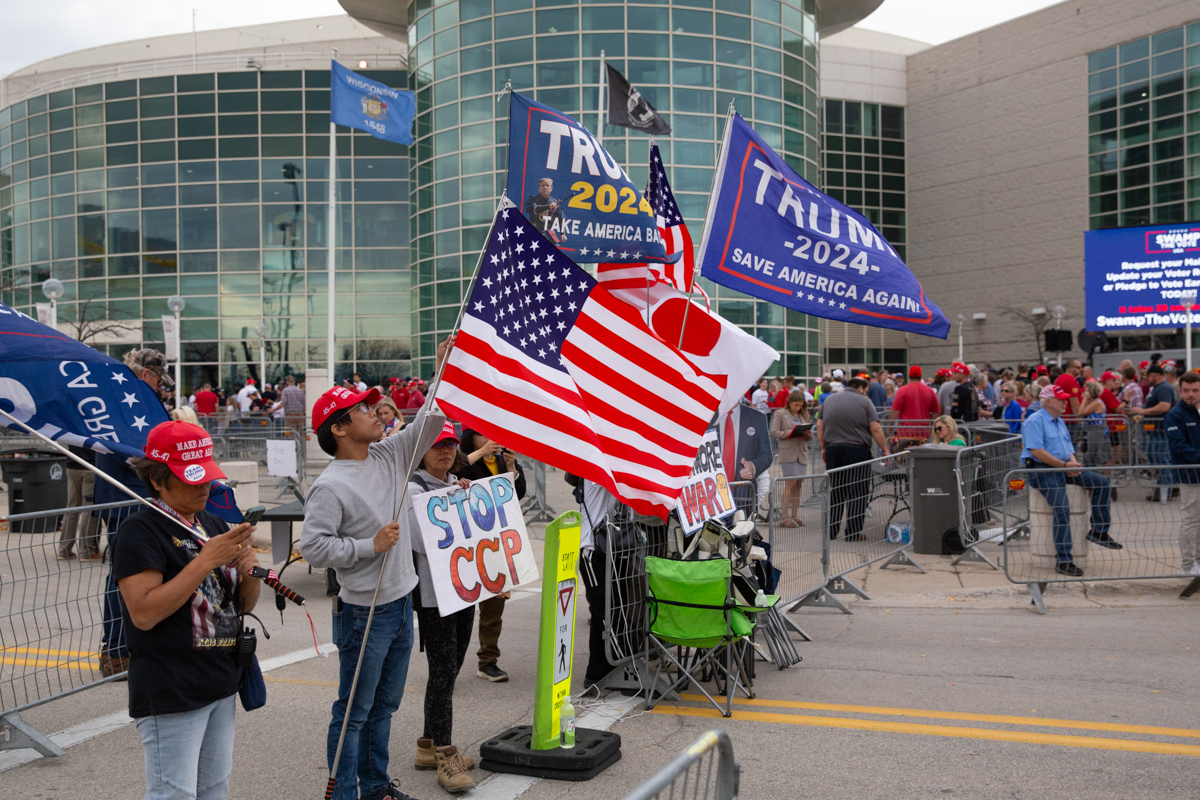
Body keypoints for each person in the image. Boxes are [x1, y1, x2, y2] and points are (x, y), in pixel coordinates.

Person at [299, 336, 452, 800]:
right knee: (354, 710)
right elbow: (313, 547)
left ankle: (376, 786)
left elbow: (432, 421)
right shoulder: (330, 486)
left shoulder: (389, 454)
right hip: (364, 613)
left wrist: (445, 366)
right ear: (340, 429)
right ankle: (344, 792)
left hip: (400, 603)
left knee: (384, 706)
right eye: (364, 410)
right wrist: (370, 545)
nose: (377, 412)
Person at [112, 420, 262, 800]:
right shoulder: (140, 530)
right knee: (173, 794)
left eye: (206, 476)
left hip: (219, 681)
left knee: (214, 789)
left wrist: (251, 570)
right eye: (191, 479)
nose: (204, 487)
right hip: (171, 688)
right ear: (159, 480)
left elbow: (240, 605)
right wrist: (204, 561)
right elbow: (143, 613)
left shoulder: (209, 522)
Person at [405, 423, 478, 794]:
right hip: (435, 597)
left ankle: (426, 746)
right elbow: (421, 540)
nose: (445, 450)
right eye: (436, 444)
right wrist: (453, 501)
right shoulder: (413, 488)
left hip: (464, 589)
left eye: (450, 443)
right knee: (442, 670)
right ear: (420, 450)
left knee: (453, 668)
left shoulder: (454, 482)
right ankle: (445, 756)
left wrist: (460, 494)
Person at [95, 348, 173, 677]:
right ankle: (115, 651)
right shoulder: (118, 402)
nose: (160, 387)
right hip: (126, 498)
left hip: (141, 496)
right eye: (157, 379)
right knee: (124, 576)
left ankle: (133, 646)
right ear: (144, 375)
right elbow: (127, 452)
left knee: (148, 573)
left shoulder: (131, 400)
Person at [1021, 384, 1120, 577]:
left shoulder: (1059, 421)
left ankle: (1099, 531)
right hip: (1043, 471)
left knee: (1101, 483)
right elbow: (1036, 452)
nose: (1065, 402)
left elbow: (1068, 448)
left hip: (1062, 467)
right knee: (1062, 508)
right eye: (1061, 399)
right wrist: (1064, 466)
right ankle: (1064, 560)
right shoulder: (1035, 420)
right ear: (1048, 402)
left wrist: (1073, 464)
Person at [455, 429, 527, 683]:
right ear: (470, 437)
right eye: (481, 433)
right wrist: (480, 453)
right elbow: (454, 475)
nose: (489, 438)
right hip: (467, 543)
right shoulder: (465, 458)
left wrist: (511, 469)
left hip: (496, 542)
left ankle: (488, 661)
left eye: (492, 432)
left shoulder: (502, 458)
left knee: (494, 605)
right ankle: (449, 662)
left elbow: (518, 492)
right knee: (460, 608)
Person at [817, 377, 888, 541]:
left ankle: (831, 531)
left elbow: (820, 425)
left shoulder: (829, 400)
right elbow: (875, 428)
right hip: (857, 451)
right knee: (857, 492)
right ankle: (853, 532)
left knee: (835, 490)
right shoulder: (865, 402)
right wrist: (884, 450)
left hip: (834, 450)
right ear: (861, 388)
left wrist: (823, 447)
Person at [1164, 371, 1200, 576]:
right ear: (1180, 390)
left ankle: (1197, 561)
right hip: (1189, 477)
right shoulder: (1175, 415)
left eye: (1195, 390)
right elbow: (1179, 446)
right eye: (1186, 390)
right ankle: (1187, 565)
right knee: (1191, 520)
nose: (1191, 394)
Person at [715, 398, 773, 518]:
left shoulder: (757, 418)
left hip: (743, 499)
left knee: (740, 536)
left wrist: (753, 466)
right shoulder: (706, 416)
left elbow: (766, 455)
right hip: (710, 499)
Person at [770, 390, 811, 527]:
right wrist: (790, 432)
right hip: (788, 453)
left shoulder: (803, 415)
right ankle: (785, 517)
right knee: (790, 484)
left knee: (798, 485)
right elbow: (774, 432)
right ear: (790, 402)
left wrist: (808, 434)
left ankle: (794, 515)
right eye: (796, 405)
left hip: (802, 453)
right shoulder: (780, 413)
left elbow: (809, 436)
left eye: (800, 405)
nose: (798, 408)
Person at [57, 445, 101, 561]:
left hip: (72, 463)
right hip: (90, 466)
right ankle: (87, 550)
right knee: (89, 508)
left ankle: (64, 549)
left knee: (72, 507)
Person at [1140, 364, 1177, 501]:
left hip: (1161, 431)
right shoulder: (1157, 388)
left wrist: (1143, 412)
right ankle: (1162, 490)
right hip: (1155, 432)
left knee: (1162, 460)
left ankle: (1166, 492)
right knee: (1154, 458)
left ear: (1155, 375)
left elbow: (1165, 406)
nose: (1146, 379)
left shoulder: (1164, 388)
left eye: (1148, 376)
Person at [888, 365, 940, 442]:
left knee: (905, 453)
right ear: (921, 376)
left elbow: (895, 411)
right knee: (921, 453)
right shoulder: (930, 391)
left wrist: (890, 426)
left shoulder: (902, 391)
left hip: (905, 432)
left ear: (909, 376)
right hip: (923, 432)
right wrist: (932, 427)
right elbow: (935, 412)